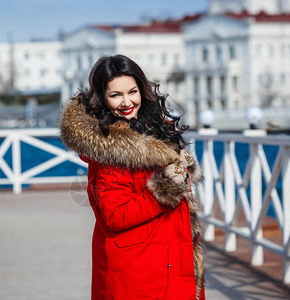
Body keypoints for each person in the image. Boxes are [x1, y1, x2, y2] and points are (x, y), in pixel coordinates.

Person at [60, 54, 205, 300]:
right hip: (139, 270)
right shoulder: (112, 150)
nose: (127, 102)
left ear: (142, 91)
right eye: (115, 95)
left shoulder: (151, 130)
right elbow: (114, 215)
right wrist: (166, 188)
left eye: (132, 91)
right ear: (102, 98)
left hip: (167, 259)